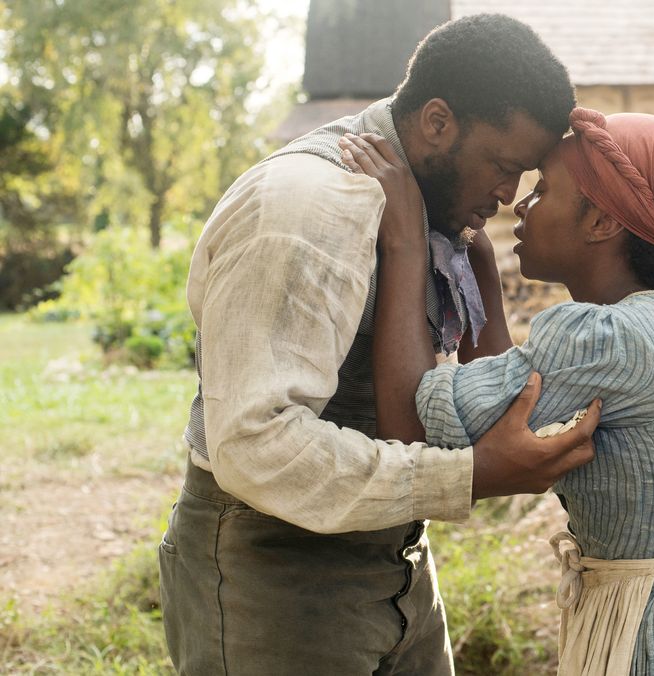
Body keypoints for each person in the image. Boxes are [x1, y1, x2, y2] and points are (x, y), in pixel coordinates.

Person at [159, 14, 602, 676]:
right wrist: (469, 475)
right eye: (505, 167)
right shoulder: (307, 207)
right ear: (436, 122)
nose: (509, 196)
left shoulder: (431, 204)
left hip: (396, 565)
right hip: (274, 579)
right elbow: (254, 443)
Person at [340, 108, 654, 674]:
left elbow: (413, 426)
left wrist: (403, 245)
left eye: (543, 189)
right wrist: (480, 263)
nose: (520, 205)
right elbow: (505, 404)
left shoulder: (603, 337)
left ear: (601, 223)